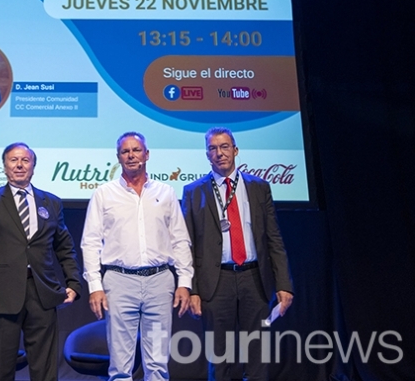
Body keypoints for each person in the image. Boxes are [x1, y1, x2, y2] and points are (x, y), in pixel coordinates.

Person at [181, 127, 294, 381]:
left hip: (255, 279)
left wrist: (284, 284)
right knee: (218, 359)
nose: (219, 153)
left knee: (257, 355)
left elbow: (274, 239)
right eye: (212, 148)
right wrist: (193, 290)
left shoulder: (259, 187)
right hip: (215, 282)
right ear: (207, 154)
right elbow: (186, 247)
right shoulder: (193, 192)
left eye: (224, 147)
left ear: (235, 150)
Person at [80, 131, 193, 381]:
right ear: (118, 157)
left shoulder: (165, 192)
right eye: (125, 151)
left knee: (158, 364)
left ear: (147, 154)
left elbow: (180, 240)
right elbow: (90, 243)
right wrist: (95, 286)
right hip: (119, 282)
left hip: (160, 280)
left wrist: (184, 282)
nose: (131, 155)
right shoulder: (104, 194)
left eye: (136, 150)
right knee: (121, 367)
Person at [0, 142, 82, 381]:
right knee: (1, 370)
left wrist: (74, 283)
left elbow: (65, 247)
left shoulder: (51, 202)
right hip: (1, 296)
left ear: (33, 167)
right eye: (13, 160)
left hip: (43, 293)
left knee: (45, 371)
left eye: (25, 160)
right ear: (5, 166)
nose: (19, 165)